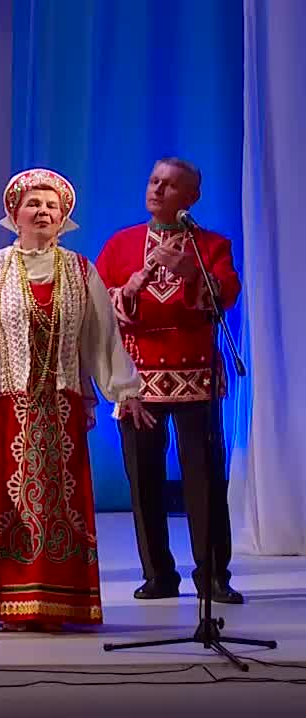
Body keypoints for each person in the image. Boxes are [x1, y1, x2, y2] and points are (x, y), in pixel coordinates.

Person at [0, 169, 153, 631]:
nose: (43, 211)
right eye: (34, 204)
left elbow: (102, 340)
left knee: (55, 507)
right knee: (0, 505)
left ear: (64, 216)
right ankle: (5, 602)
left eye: (52, 205)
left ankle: (53, 602)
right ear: (15, 213)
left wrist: (124, 390)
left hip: (58, 412)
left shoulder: (81, 270)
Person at [94, 158, 244, 604]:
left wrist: (191, 272)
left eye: (171, 185)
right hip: (138, 381)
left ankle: (214, 574)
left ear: (191, 198)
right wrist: (130, 290)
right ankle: (158, 572)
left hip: (196, 375)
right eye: (154, 181)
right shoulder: (121, 245)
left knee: (205, 478)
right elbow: (97, 307)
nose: (158, 190)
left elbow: (227, 297)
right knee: (143, 480)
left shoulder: (210, 246)